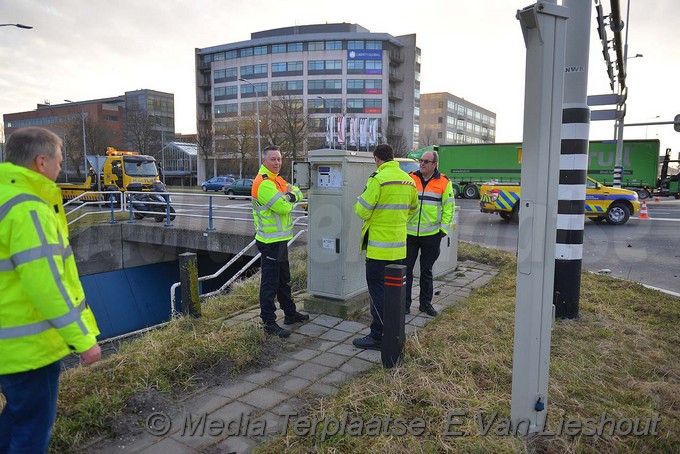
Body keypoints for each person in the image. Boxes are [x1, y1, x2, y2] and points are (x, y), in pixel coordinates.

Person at [0, 127, 102, 453]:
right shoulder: (29, 211)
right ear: (40, 162)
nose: (61, 168)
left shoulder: (5, 198)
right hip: (29, 348)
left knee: (17, 416)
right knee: (32, 430)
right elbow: (47, 286)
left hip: (8, 343)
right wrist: (83, 340)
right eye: (58, 160)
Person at [352, 144, 417, 350]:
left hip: (378, 250)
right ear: (393, 158)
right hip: (399, 249)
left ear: (376, 159)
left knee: (377, 294)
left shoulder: (377, 179)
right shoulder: (409, 180)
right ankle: (394, 333)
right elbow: (413, 209)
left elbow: (362, 211)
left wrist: (359, 200)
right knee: (394, 294)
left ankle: (378, 336)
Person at [251, 145, 309, 338]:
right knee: (270, 283)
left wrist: (289, 196)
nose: (277, 163)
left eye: (279, 159)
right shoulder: (265, 183)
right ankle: (269, 322)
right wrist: (290, 197)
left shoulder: (277, 180)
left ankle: (290, 314)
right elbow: (284, 208)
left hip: (280, 240)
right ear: (264, 160)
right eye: (273, 159)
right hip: (269, 242)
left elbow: (298, 192)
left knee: (284, 279)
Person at [405, 150, 455, 317]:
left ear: (435, 164)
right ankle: (404, 304)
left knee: (426, 271)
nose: (422, 163)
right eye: (421, 160)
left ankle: (425, 304)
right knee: (406, 270)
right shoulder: (411, 178)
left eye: (427, 161)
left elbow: (449, 207)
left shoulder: (444, 182)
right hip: (409, 234)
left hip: (432, 235)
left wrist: (443, 230)